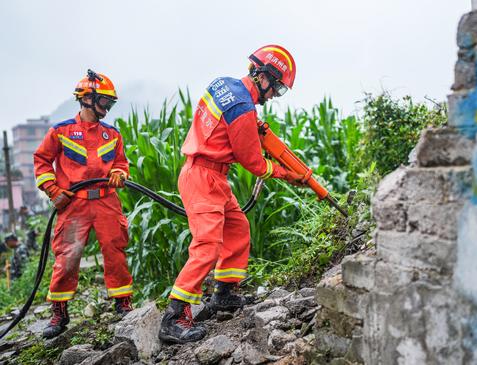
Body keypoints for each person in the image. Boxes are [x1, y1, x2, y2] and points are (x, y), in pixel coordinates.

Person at [159, 45, 304, 344]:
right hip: (203, 177)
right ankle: (174, 317)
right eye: (276, 87)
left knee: (238, 228)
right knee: (208, 246)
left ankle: (223, 293)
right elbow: (253, 162)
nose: (274, 95)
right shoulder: (242, 107)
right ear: (263, 76)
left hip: (211, 174)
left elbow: (227, 133)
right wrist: (285, 173)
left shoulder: (225, 85)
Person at [33, 69, 133, 339]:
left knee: (115, 252)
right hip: (74, 205)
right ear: (87, 99)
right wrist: (53, 189)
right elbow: (42, 161)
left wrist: (120, 174)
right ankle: (59, 312)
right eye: (105, 102)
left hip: (106, 203)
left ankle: (123, 303)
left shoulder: (112, 134)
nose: (108, 108)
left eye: (110, 104)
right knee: (67, 257)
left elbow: (122, 163)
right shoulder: (61, 131)